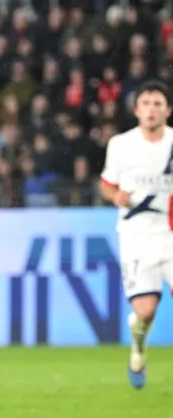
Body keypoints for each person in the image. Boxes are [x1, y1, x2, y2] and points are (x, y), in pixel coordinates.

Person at [99, 80, 173, 390]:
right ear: (136, 110)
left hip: (169, 233)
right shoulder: (121, 144)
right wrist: (116, 197)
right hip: (136, 237)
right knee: (145, 311)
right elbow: (107, 184)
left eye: (158, 103)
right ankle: (138, 348)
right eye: (146, 103)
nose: (152, 109)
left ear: (168, 109)